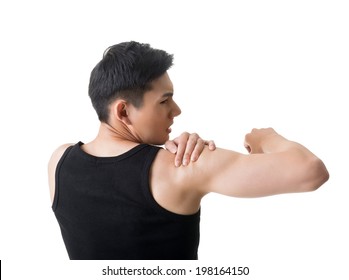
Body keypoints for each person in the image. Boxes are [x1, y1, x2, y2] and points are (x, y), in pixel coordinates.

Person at [48, 41, 329, 260]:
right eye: (164, 101)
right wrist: (267, 138)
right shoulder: (182, 167)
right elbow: (310, 171)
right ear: (123, 110)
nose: (177, 110)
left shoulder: (58, 162)